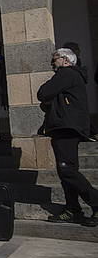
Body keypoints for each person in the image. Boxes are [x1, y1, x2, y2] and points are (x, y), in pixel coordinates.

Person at [39, 48, 98, 227]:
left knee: (67, 170)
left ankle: (95, 202)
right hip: (65, 128)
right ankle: (72, 209)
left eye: (54, 58)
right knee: (66, 171)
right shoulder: (72, 76)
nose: (52, 62)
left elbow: (43, 93)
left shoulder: (66, 73)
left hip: (66, 128)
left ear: (66, 60)